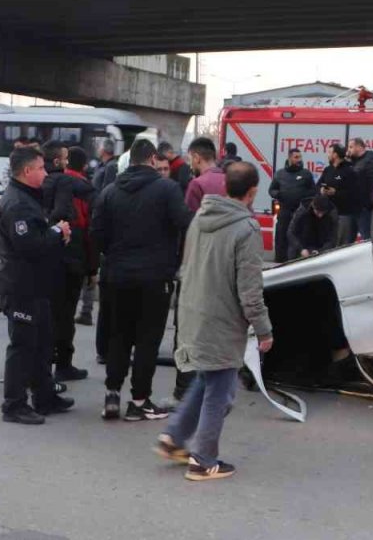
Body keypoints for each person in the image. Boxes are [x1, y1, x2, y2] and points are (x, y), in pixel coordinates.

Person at [155, 161, 273, 480]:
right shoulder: (246, 229)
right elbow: (250, 289)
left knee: (207, 379)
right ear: (252, 192)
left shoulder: (200, 217)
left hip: (193, 310)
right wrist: (263, 330)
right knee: (220, 389)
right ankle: (204, 460)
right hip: (222, 319)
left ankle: (174, 437)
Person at [91, 139, 193, 422]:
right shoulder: (167, 190)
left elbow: (97, 233)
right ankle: (139, 401)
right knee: (147, 339)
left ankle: (112, 394)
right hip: (154, 276)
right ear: (151, 159)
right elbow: (186, 223)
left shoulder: (110, 191)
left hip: (116, 276)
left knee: (118, 336)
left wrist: (112, 253)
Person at [0, 146, 76, 424]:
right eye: (41, 168)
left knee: (43, 344)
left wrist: (55, 234)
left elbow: (39, 236)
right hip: (21, 287)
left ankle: (45, 397)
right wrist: (56, 232)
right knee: (22, 346)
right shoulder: (17, 203)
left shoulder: (28, 198)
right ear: (27, 171)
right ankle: (14, 404)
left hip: (37, 285)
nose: (46, 172)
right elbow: (29, 245)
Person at [41, 142, 96, 382]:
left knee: (47, 313)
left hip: (45, 257)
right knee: (64, 314)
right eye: (62, 157)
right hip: (70, 255)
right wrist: (92, 266)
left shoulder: (35, 184)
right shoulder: (73, 185)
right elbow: (89, 226)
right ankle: (62, 363)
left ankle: (44, 364)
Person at [268, 148, 316, 264]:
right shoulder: (280, 174)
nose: (299, 160)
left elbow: (313, 190)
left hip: (300, 212)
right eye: (296, 157)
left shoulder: (306, 174)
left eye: (300, 157)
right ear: (289, 158)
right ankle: (279, 261)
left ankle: (297, 262)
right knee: (281, 236)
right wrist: (279, 194)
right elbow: (271, 190)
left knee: (298, 237)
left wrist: (303, 196)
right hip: (285, 210)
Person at [317, 144, 358, 245]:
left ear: (335, 155)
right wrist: (321, 190)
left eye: (330, 152)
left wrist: (335, 192)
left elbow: (353, 193)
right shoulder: (328, 170)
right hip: (327, 214)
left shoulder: (349, 171)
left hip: (343, 214)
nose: (328, 155)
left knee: (341, 246)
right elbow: (317, 185)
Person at [347, 137, 373, 241]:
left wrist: (367, 204)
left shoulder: (370, 161)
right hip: (352, 207)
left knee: (366, 239)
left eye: (351, 147)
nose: (348, 150)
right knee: (347, 241)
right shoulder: (354, 162)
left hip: (364, 209)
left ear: (359, 147)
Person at [184, 138, 226, 211]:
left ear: (196, 158)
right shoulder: (231, 179)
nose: (190, 166)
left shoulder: (197, 184)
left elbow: (189, 218)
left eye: (190, 159)